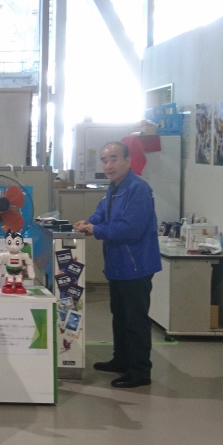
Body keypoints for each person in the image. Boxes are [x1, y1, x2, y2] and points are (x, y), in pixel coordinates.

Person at [73, 141, 162, 389]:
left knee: (135, 320)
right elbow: (102, 213)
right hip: (117, 265)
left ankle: (140, 371)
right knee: (120, 316)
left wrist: (96, 229)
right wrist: (88, 223)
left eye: (113, 159)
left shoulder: (138, 189)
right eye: (104, 160)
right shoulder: (114, 188)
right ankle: (121, 360)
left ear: (127, 161)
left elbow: (130, 228)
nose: (108, 165)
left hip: (136, 266)